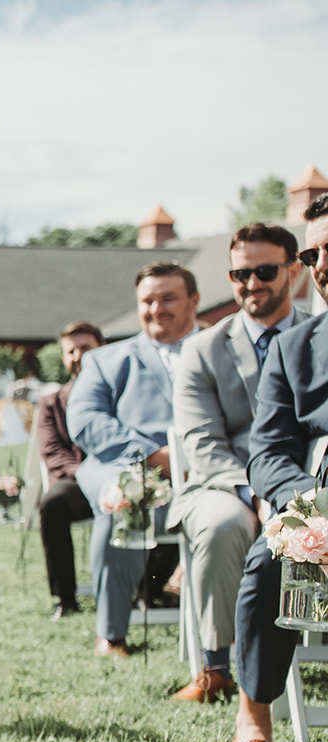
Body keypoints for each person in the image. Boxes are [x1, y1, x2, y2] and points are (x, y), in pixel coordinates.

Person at [170, 224, 303, 703]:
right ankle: (217, 666)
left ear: (294, 271)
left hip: (304, 483)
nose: (251, 283)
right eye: (240, 273)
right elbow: (201, 443)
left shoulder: (318, 339)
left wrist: (293, 494)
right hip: (223, 485)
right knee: (226, 525)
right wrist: (255, 495)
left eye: (264, 271)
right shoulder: (202, 350)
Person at [230, 195, 328, 742]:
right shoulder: (294, 349)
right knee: (273, 556)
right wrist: (306, 504)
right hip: (317, 501)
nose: (322, 265)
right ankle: (254, 715)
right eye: (314, 252)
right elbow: (267, 452)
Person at [67, 261, 199, 657]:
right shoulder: (106, 360)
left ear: (194, 299)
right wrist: (153, 457)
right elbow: (86, 421)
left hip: (206, 466)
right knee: (122, 502)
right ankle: (112, 634)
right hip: (124, 465)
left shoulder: (223, 349)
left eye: (168, 298)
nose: (156, 308)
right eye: (147, 300)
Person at [35, 322, 102, 619]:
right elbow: (53, 454)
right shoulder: (51, 403)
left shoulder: (122, 392)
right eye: (70, 351)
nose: (78, 356)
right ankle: (65, 599)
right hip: (77, 483)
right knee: (51, 504)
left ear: (102, 349)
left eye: (85, 347)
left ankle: (148, 592)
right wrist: (92, 476)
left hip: (123, 477)